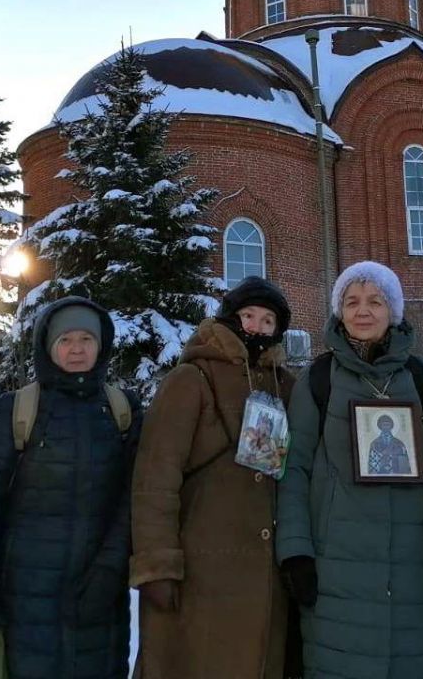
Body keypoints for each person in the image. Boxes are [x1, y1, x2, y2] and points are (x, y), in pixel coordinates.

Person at [276, 261, 423, 679]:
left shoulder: (422, 378)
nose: (363, 310)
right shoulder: (318, 379)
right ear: (339, 312)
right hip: (338, 565)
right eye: (351, 302)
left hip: (413, 564)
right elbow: (294, 468)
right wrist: (296, 551)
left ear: (394, 310)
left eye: (375, 301)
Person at [0, 296, 141, 679]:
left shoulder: (122, 411)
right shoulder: (18, 409)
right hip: (24, 596)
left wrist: (110, 570)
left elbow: (134, 498)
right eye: (66, 340)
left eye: (86, 340)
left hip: (99, 600)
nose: (77, 349)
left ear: (101, 345)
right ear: (49, 346)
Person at [131, 276, 298, 679]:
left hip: (266, 577)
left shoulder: (287, 387)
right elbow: (157, 476)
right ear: (229, 319)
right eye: (248, 316)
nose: (257, 327)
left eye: (267, 320)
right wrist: (157, 566)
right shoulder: (191, 380)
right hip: (201, 573)